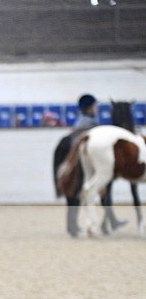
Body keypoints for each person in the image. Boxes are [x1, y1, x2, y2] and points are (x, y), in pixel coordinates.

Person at [54, 94, 125, 236]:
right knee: (81, 188)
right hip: (84, 160)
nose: (96, 109)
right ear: (89, 108)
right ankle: (107, 220)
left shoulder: (82, 122)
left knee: (74, 190)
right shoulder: (90, 125)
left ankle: (74, 224)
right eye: (94, 106)